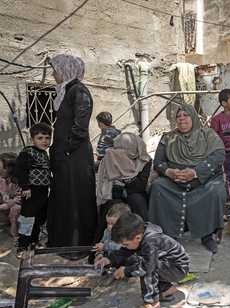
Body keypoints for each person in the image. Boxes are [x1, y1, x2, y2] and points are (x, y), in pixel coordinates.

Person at [149, 104, 226, 253]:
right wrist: (169, 171)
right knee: (158, 186)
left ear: (194, 117)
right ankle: (168, 234)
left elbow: (218, 155)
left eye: (186, 115)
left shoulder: (207, 134)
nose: (182, 119)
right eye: (178, 116)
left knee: (215, 190)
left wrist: (196, 172)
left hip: (202, 180)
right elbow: (158, 162)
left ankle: (207, 235)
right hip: (174, 182)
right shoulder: (168, 137)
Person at [95, 213, 189, 308]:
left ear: (138, 237)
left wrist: (126, 271)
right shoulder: (139, 234)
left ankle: (152, 304)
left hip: (177, 268)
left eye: (126, 244)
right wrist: (109, 259)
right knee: (138, 262)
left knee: (144, 267)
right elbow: (124, 251)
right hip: (166, 264)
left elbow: (147, 267)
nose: (124, 246)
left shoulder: (150, 241)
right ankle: (166, 289)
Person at [47, 54, 97, 252]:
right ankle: (63, 242)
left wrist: (66, 150)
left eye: (56, 70)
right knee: (64, 198)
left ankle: (77, 245)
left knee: (76, 199)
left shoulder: (79, 91)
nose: (53, 74)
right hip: (67, 157)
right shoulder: (68, 91)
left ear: (66, 70)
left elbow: (80, 127)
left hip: (74, 158)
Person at [14, 123, 52, 255]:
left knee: (39, 218)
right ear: (32, 139)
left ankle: (33, 241)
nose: (44, 141)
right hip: (30, 192)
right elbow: (20, 170)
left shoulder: (45, 155)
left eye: (47, 138)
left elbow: (47, 173)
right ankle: (22, 245)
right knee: (27, 219)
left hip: (42, 192)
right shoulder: (27, 152)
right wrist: (25, 187)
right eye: (40, 138)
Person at [96, 132, 151, 223]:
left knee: (137, 201)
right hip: (113, 193)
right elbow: (106, 183)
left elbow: (140, 186)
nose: (118, 151)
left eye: (121, 148)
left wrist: (125, 178)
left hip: (134, 192)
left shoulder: (144, 160)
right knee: (110, 206)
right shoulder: (112, 158)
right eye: (116, 148)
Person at [0, 153, 21, 238]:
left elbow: (19, 200)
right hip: (5, 207)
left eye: (2, 167)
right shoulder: (2, 179)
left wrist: (7, 204)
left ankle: (15, 232)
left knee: (15, 208)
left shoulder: (20, 181)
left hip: (17, 209)